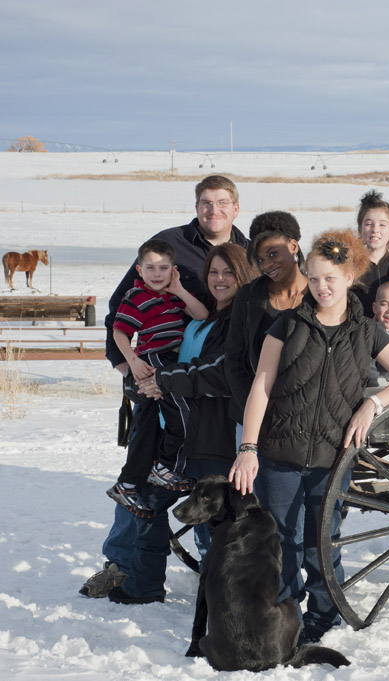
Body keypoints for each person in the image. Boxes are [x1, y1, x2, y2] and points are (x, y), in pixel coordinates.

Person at [231, 229, 389, 644]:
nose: (321, 287)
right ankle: (284, 619)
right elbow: (261, 386)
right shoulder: (286, 324)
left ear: (349, 277)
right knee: (280, 541)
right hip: (279, 453)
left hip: (333, 456)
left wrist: (372, 404)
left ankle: (323, 614)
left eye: (330, 278)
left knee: (322, 540)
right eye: (314, 278)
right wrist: (248, 448)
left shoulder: (367, 331)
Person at [84, 175, 247, 600]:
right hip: (159, 379)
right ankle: (121, 566)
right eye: (206, 202)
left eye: (223, 202)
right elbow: (121, 309)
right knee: (142, 471)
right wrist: (129, 368)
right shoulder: (169, 245)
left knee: (194, 479)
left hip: (205, 394)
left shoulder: (246, 251)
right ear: (196, 206)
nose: (214, 210)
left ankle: (214, 569)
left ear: (236, 208)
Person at [108, 244, 257, 604]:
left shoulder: (239, 320)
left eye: (229, 273)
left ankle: (224, 595)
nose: (220, 280)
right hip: (178, 428)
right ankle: (144, 586)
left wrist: (162, 380)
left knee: (212, 519)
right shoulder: (199, 314)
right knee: (148, 504)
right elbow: (152, 346)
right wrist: (143, 380)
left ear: (242, 276)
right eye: (214, 272)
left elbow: (219, 373)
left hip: (213, 433)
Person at [109, 238, 209, 512]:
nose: (156, 274)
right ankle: (165, 468)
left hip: (172, 360)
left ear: (173, 270)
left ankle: (129, 483)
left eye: (163, 268)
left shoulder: (172, 295)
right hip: (155, 358)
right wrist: (133, 362)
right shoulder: (136, 296)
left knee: (149, 422)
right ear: (139, 270)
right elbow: (119, 331)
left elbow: (202, 314)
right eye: (150, 268)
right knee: (181, 414)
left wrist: (179, 289)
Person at [224, 211, 308, 436]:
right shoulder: (249, 296)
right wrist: (255, 410)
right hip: (254, 420)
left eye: (272, 254)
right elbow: (234, 360)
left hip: (305, 421)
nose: (267, 265)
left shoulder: (319, 293)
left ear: (293, 246)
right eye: (260, 259)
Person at [353, 190, 389, 318]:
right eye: (369, 224)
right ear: (360, 228)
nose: (375, 230)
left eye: (382, 225)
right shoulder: (350, 266)